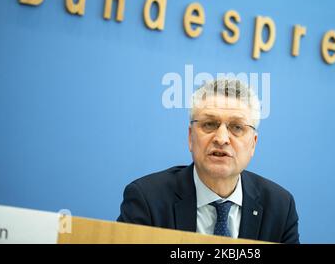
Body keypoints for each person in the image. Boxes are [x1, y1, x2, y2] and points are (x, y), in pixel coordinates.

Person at [117, 78, 299, 243]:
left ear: (253, 144)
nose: (221, 138)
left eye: (236, 127)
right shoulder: (147, 200)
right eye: (209, 124)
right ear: (190, 137)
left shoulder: (280, 207)